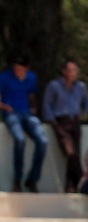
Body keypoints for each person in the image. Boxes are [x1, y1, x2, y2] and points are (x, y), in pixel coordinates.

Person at [42, 59, 88, 193]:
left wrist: (82, 114)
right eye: (69, 70)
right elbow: (47, 104)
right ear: (64, 71)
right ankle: (82, 180)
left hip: (75, 122)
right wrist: (53, 122)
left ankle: (70, 185)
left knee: (75, 153)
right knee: (70, 152)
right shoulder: (54, 85)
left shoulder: (81, 86)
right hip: (61, 122)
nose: (72, 73)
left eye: (75, 70)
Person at [0, 55, 47, 193]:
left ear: (27, 68)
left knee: (43, 141)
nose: (17, 71)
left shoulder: (32, 77)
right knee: (20, 140)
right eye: (15, 68)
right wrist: (3, 106)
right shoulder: (5, 77)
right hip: (11, 113)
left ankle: (32, 179)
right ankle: (17, 179)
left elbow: (32, 94)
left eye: (20, 69)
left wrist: (34, 107)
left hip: (27, 113)